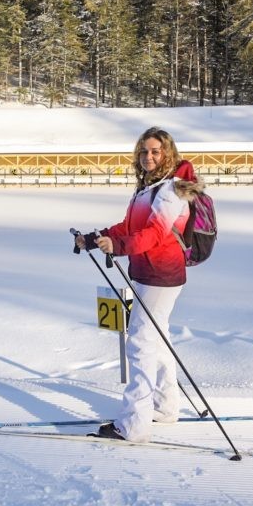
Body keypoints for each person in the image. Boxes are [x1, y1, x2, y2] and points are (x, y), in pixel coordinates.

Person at [75, 126, 202, 443]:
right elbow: (128, 226)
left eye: (156, 151)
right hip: (147, 273)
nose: (148, 156)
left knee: (141, 343)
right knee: (157, 341)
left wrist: (118, 247)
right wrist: (93, 239)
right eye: (144, 151)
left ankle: (134, 425)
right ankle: (165, 407)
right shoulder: (149, 189)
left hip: (161, 273)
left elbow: (155, 234)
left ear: (167, 153)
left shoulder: (172, 189)